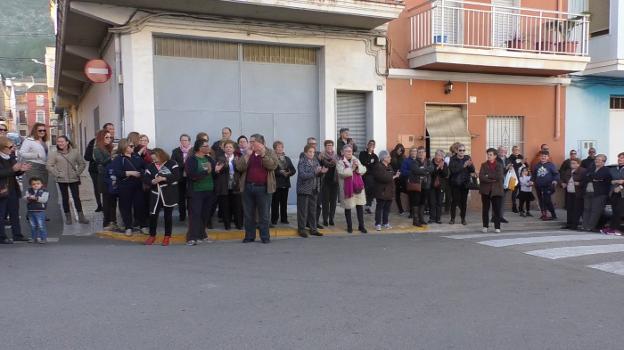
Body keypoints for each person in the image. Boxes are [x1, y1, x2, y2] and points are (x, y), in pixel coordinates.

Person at [236, 133, 278, 243]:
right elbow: (239, 167)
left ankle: (265, 237)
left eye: (252, 141)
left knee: (264, 214)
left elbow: (273, 166)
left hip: (263, 188)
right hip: (248, 187)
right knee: (248, 214)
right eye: (250, 141)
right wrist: (247, 156)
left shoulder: (269, 152)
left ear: (260, 143)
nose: (250, 144)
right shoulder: (248, 152)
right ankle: (250, 236)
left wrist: (263, 155)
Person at [46, 135, 89, 225]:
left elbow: (82, 164)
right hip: (62, 179)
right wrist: (58, 174)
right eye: (58, 142)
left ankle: (81, 217)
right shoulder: (54, 153)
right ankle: (68, 217)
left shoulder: (75, 152)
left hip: (73, 178)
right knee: (65, 198)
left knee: (76, 198)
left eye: (62, 141)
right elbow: (49, 165)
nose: (60, 143)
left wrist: (77, 173)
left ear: (67, 142)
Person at [143, 148, 179, 246]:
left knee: (168, 216)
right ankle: (152, 235)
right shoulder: (150, 166)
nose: (155, 161)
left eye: (156, 159)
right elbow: (146, 178)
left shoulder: (172, 163)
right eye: (153, 159)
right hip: (155, 193)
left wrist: (164, 178)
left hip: (168, 193)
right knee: (153, 215)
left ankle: (167, 236)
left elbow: (176, 176)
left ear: (161, 156)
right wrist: (152, 181)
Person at [0, 136, 31, 244]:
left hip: (12, 188)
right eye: (10, 146)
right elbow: (2, 173)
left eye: (13, 146)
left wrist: (21, 170)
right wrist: (13, 169)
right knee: (1, 214)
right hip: (2, 190)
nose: (13, 148)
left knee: (14, 213)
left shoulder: (11, 157)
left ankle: (17, 235)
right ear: (2, 147)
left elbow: (14, 172)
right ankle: (1, 237)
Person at [111, 138, 146, 236]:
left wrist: (141, 173)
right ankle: (128, 227)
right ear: (124, 147)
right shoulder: (118, 158)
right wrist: (130, 173)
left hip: (137, 185)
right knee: (125, 207)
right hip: (124, 186)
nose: (133, 147)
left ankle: (143, 225)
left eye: (133, 146)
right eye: (130, 146)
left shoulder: (136, 157)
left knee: (140, 206)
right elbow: (116, 172)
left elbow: (144, 167)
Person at [186, 138, 217, 245]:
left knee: (205, 214)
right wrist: (206, 172)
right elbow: (191, 175)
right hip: (196, 191)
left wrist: (217, 170)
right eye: (206, 146)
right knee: (195, 214)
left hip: (209, 191)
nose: (208, 148)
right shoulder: (191, 159)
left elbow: (214, 173)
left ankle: (202, 235)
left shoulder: (209, 159)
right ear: (199, 148)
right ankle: (191, 237)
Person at [296, 144, 327, 237]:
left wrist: (322, 172)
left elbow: (318, 175)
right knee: (303, 211)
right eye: (310, 152)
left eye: (313, 152)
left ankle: (313, 229)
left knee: (313, 211)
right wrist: (315, 172)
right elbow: (303, 175)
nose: (312, 153)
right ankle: (301, 229)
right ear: (305, 152)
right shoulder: (302, 161)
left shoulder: (315, 161)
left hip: (314, 189)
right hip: (304, 189)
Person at [337, 145, 367, 233]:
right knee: (348, 207)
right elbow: (341, 173)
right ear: (343, 152)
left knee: (360, 206)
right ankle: (349, 226)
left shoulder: (356, 160)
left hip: (358, 187)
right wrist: (352, 168)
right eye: (347, 151)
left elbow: (363, 169)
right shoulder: (340, 162)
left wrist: (357, 168)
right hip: (347, 188)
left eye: (350, 151)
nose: (349, 152)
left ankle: (361, 226)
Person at [84, 123, 114, 212]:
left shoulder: (112, 142)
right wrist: (96, 158)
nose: (112, 131)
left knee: (107, 188)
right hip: (95, 170)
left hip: (108, 169)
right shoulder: (93, 143)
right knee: (97, 188)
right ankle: (99, 205)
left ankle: (107, 206)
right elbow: (87, 156)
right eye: (109, 129)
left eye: (112, 129)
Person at [214, 140, 243, 230]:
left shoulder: (238, 158)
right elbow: (216, 172)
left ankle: (239, 225)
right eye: (226, 147)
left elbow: (242, 170)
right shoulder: (220, 158)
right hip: (224, 186)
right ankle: (227, 225)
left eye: (230, 147)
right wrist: (217, 170)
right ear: (224, 149)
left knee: (237, 206)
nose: (228, 149)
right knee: (225, 207)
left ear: (234, 149)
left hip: (236, 185)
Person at [93, 129, 118, 231]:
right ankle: (106, 222)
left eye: (110, 137)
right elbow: (101, 162)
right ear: (101, 138)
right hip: (103, 177)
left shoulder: (111, 147)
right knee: (107, 201)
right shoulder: (97, 149)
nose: (109, 139)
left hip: (113, 177)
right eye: (106, 137)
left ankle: (113, 221)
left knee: (113, 200)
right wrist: (112, 156)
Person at [582, 154, 611, 232]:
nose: (596, 161)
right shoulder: (591, 168)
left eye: (599, 159)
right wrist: (594, 177)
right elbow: (585, 176)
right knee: (586, 209)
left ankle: (590, 226)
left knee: (595, 210)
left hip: (599, 194)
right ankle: (584, 226)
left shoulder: (606, 170)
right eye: (596, 159)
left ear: (603, 162)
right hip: (588, 192)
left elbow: (599, 177)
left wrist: (593, 177)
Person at [479, 148, 505, 233]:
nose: (489, 156)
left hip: (496, 190)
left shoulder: (499, 165)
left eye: (490, 155)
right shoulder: (483, 165)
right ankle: (485, 226)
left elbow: (499, 176)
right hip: (485, 190)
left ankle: (497, 227)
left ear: (495, 156)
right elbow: (481, 177)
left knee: (496, 209)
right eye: (488, 154)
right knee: (485, 209)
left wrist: (488, 176)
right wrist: (491, 179)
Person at [448, 144, 475, 225]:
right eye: (460, 150)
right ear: (456, 151)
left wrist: (470, 165)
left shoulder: (467, 158)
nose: (462, 152)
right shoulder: (452, 159)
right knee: (454, 201)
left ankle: (463, 218)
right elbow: (453, 171)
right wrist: (463, 166)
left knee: (464, 202)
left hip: (465, 184)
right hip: (455, 183)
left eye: (463, 150)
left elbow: (472, 170)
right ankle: (452, 218)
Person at [372, 151, 399, 230]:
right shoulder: (378, 166)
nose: (390, 158)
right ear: (384, 158)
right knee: (380, 208)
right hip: (382, 191)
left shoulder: (389, 166)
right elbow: (384, 178)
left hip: (389, 191)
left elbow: (391, 175)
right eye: (388, 157)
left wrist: (395, 175)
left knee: (387, 208)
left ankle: (385, 222)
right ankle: (377, 224)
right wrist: (394, 176)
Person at [407, 146, 433, 227]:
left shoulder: (428, 161)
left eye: (423, 152)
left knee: (422, 202)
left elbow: (432, 168)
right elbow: (416, 170)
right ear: (417, 154)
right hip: (416, 185)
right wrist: (426, 171)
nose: (421, 154)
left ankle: (421, 219)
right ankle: (415, 220)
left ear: (425, 153)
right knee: (416, 202)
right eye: (419, 152)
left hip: (426, 185)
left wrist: (422, 170)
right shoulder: (414, 162)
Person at [271, 141, 296, 225]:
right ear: (275, 148)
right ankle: (274, 219)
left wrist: (288, 173)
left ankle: (284, 219)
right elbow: (271, 171)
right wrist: (280, 172)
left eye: (281, 147)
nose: (280, 148)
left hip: (285, 184)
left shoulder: (287, 158)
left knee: (284, 203)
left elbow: (293, 170)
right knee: (275, 203)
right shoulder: (272, 158)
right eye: (278, 147)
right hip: (276, 184)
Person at [531, 151, 560, 221]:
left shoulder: (551, 165)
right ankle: (544, 214)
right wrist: (532, 181)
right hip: (538, 186)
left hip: (548, 186)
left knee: (547, 200)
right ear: (539, 157)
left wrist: (555, 180)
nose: (543, 157)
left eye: (545, 156)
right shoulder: (536, 165)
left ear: (548, 157)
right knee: (541, 200)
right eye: (542, 156)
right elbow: (534, 175)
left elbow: (556, 174)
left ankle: (553, 214)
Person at [560, 158, 586, 230]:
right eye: (571, 163)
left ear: (578, 164)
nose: (572, 164)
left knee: (577, 209)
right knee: (569, 209)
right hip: (569, 192)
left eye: (574, 163)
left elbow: (586, 181)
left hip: (578, 193)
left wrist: (579, 183)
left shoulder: (583, 171)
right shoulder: (568, 171)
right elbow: (562, 178)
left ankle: (574, 225)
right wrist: (562, 183)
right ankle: (569, 224)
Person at [171, 134, 192, 222]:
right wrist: (184, 165)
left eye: (186, 140)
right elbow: (173, 164)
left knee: (191, 197)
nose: (184, 142)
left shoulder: (193, 150)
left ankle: (191, 215)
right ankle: (182, 215)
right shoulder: (175, 151)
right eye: (182, 140)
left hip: (191, 178)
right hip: (180, 177)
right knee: (181, 198)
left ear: (189, 141)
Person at [603, 152, 624, 235]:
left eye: (622, 158)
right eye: (619, 157)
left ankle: (617, 229)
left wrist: (621, 186)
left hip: (622, 193)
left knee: (619, 211)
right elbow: (608, 179)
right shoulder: (613, 169)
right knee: (615, 211)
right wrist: (616, 181)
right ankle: (612, 228)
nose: (620, 159)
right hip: (613, 192)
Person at [319, 140, 339, 226]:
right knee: (325, 201)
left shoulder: (336, 156)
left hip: (335, 181)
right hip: (325, 181)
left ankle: (331, 218)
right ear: (325, 146)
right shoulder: (321, 156)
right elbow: (319, 167)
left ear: (333, 146)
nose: (329, 147)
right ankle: (325, 219)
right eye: (327, 145)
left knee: (333, 201)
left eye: (330, 145)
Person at [24, 177, 49, 244]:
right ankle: (33, 238)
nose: (36, 185)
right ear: (31, 185)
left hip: (40, 211)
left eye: (38, 183)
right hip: (31, 211)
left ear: (41, 184)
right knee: (33, 226)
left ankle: (43, 238)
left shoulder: (44, 191)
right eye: (33, 184)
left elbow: (44, 199)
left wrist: (36, 198)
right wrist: (28, 198)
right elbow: (25, 199)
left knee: (41, 225)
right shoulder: (28, 191)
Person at [429, 149, 449, 224]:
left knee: (439, 202)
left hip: (441, 186)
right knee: (432, 202)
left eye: (440, 155)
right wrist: (437, 168)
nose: (438, 157)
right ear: (435, 155)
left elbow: (445, 174)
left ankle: (438, 218)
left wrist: (442, 168)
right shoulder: (431, 163)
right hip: (432, 185)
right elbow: (431, 173)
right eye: (437, 155)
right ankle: (432, 218)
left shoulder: (445, 164)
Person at [359, 140, 379, 214]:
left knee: (371, 190)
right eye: (370, 144)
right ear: (367, 145)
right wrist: (370, 161)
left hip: (372, 176)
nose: (371, 146)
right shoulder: (362, 153)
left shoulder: (375, 156)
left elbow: (375, 166)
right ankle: (364, 206)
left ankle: (368, 206)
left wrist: (369, 163)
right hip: (364, 175)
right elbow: (363, 162)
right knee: (365, 191)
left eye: (373, 145)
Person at [400, 147, 418, 219]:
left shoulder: (419, 160)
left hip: (419, 182)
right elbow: (403, 171)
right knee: (411, 198)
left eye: (415, 151)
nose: (414, 153)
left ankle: (417, 213)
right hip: (410, 182)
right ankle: (411, 213)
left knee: (418, 198)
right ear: (410, 152)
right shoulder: (406, 161)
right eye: (412, 151)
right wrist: (413, 172)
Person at [495, 146, 512, 223]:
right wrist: (506, 168)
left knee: (502, 200)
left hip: (506, 182)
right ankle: (494, 216)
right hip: (497, 183)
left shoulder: (508, 159)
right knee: (496, 200)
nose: (503, 152)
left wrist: (510, 168)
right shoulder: (495, 159)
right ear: (498, 152)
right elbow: (498, 172)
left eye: (504, 151)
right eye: (501, 150)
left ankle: (501, 216)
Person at [390, 144, 406, 215]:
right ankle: (401, 210)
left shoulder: (403, 157)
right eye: (399, 150)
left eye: (402, 150)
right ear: (396, 149)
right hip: (395, 177)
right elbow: (391, 166)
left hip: (402, 177)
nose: (400, 152)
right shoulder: (392, 156)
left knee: (406, 191)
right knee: (397, 193)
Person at [508, 145, 524, 213]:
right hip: (514, 177)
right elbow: (515, 166)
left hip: (522, 177)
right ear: (512, 150)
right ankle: (514, 207)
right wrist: (521, 163)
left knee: (522, 193)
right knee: (514, 193)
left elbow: (525, 165)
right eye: (515, 150)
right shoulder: (510, 158)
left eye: (518, 150)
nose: (517, 151)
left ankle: (521, 208)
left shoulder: (521, 157)